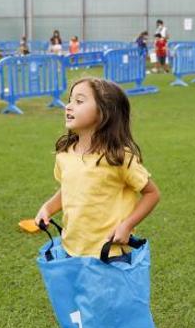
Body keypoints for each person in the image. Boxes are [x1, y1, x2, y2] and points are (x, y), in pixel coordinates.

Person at [34, 77, 161, 259]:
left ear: (104, 112)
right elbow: (69, 189)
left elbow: (152, 194)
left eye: (79, 101)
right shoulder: (65, 154)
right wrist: (47, 208)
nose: (68, 106)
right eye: (70, 100)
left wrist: (126, 226)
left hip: (110, 252)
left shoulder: (117, 157)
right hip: (71, 249)